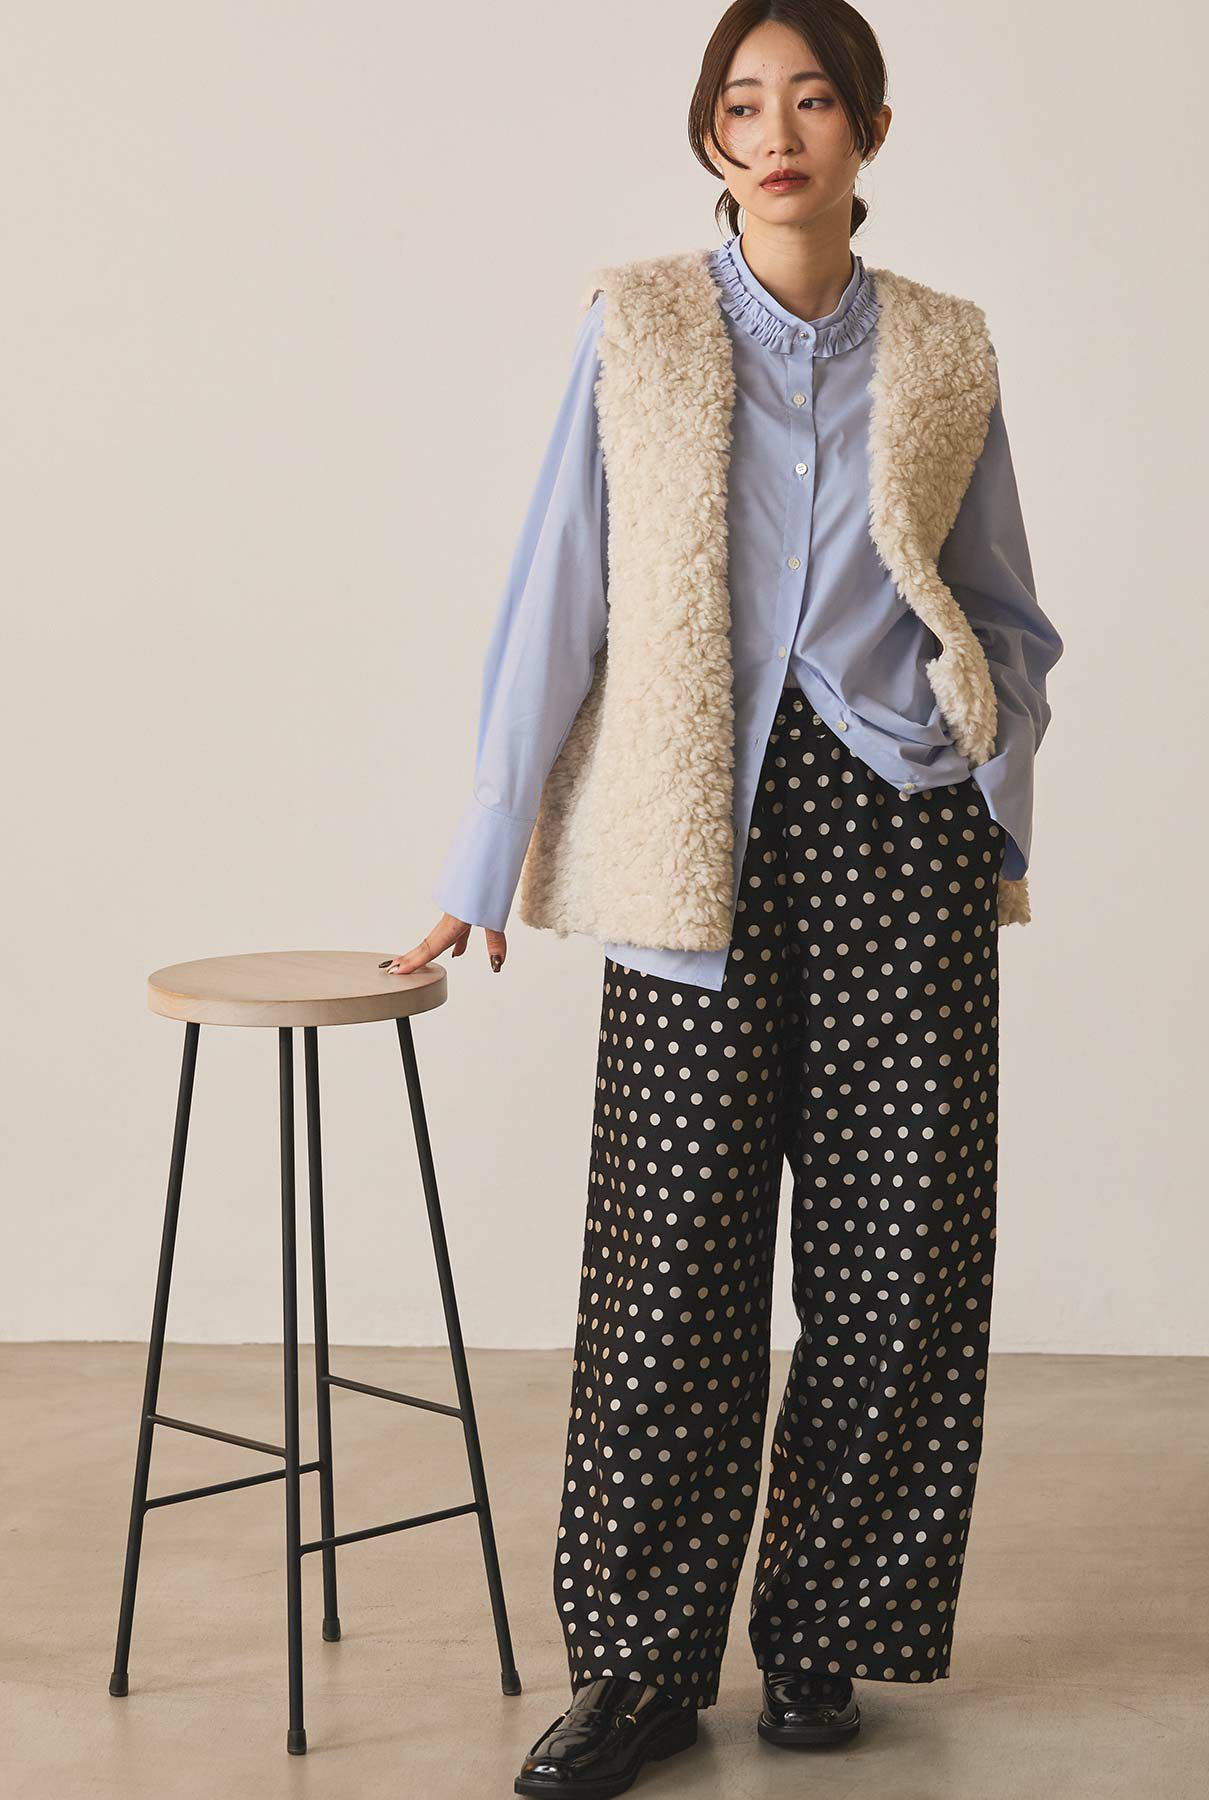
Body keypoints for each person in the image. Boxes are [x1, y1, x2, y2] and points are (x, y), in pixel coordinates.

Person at [387, 2, 1064, 1792]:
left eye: (813, 100)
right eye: (744, 104)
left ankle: (825, 1633)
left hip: (898, 832)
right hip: (699, 833)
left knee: (900, 1253)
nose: (777, 134)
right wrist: (483, 854)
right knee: (671, 1262)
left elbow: (1005, 609)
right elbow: (561, 589)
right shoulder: (640, 326)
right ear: (711, 137)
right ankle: (639, 1669)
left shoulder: (945, 343)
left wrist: (991, 791)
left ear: (870, 129)